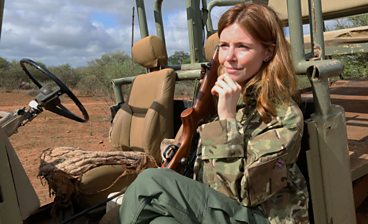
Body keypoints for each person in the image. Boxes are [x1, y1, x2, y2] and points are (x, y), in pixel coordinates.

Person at [118, 2, 309, 224]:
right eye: (224, 46)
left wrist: (226, 120)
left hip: (260, 215)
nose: (229, 57)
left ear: (267, 52)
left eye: (243, 47)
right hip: (218, 207)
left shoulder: (284, 114)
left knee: (150, 183)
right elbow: (187, 151)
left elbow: (243, 194)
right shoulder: (220, 94)